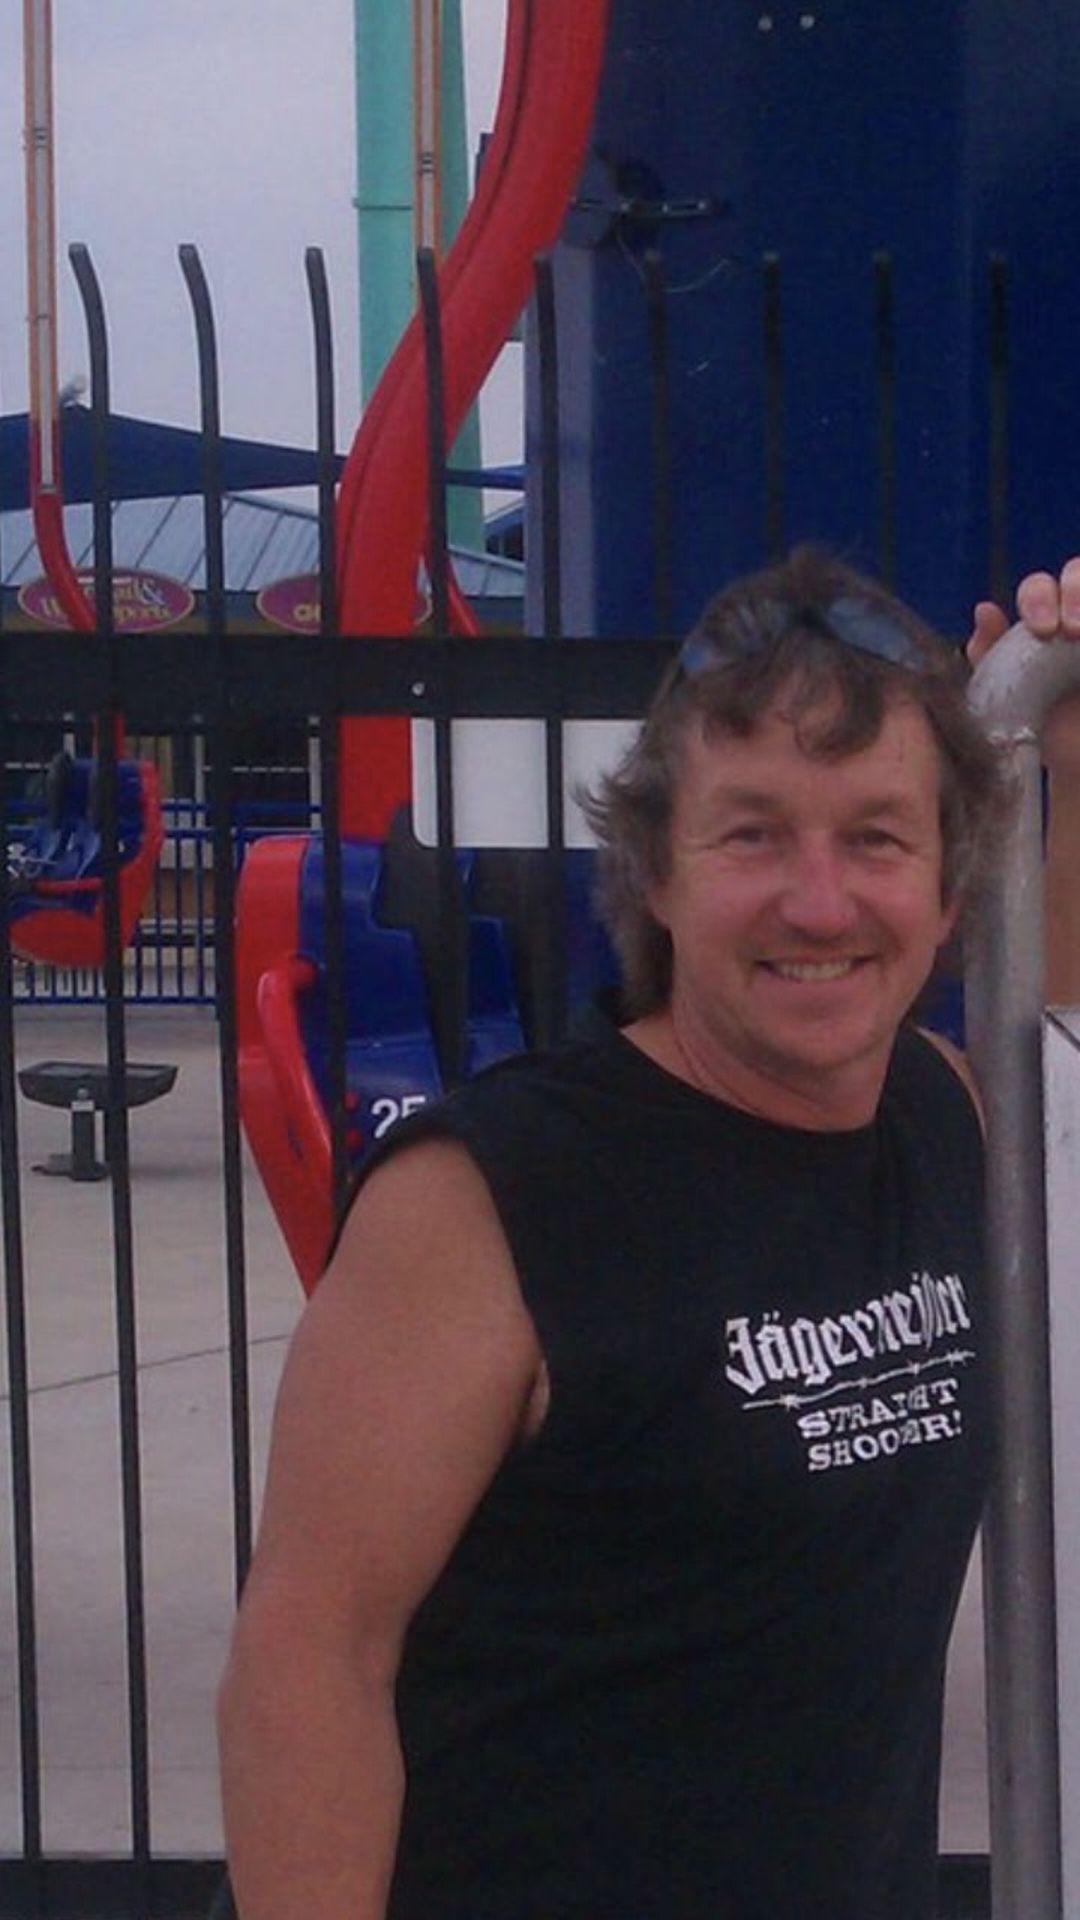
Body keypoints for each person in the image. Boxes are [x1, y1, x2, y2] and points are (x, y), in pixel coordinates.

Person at [217, 546, 1080, 1920]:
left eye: (876, 838)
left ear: (949, 891)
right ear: (657, 875)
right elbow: (312, 1659)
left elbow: (1059, 1043)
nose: (819, 900)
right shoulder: (489, 1200)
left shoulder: (944, 1114)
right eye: (753, 836)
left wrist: (1065, 760)